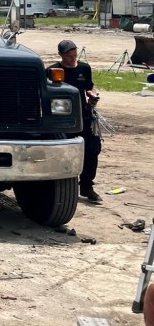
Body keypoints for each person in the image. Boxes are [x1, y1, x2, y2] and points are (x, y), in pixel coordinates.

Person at [46, 39, 102, 203]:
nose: (73, 59)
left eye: (75, 55)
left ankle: (86, 186)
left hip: (84, 115)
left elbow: (90, 87)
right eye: (69, 56)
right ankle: (57, 187)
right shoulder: (52, 70)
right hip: (61, 118)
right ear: (61, 55)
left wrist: (93, 96)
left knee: (92, 149)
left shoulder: (84, 68)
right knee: (62, 152)